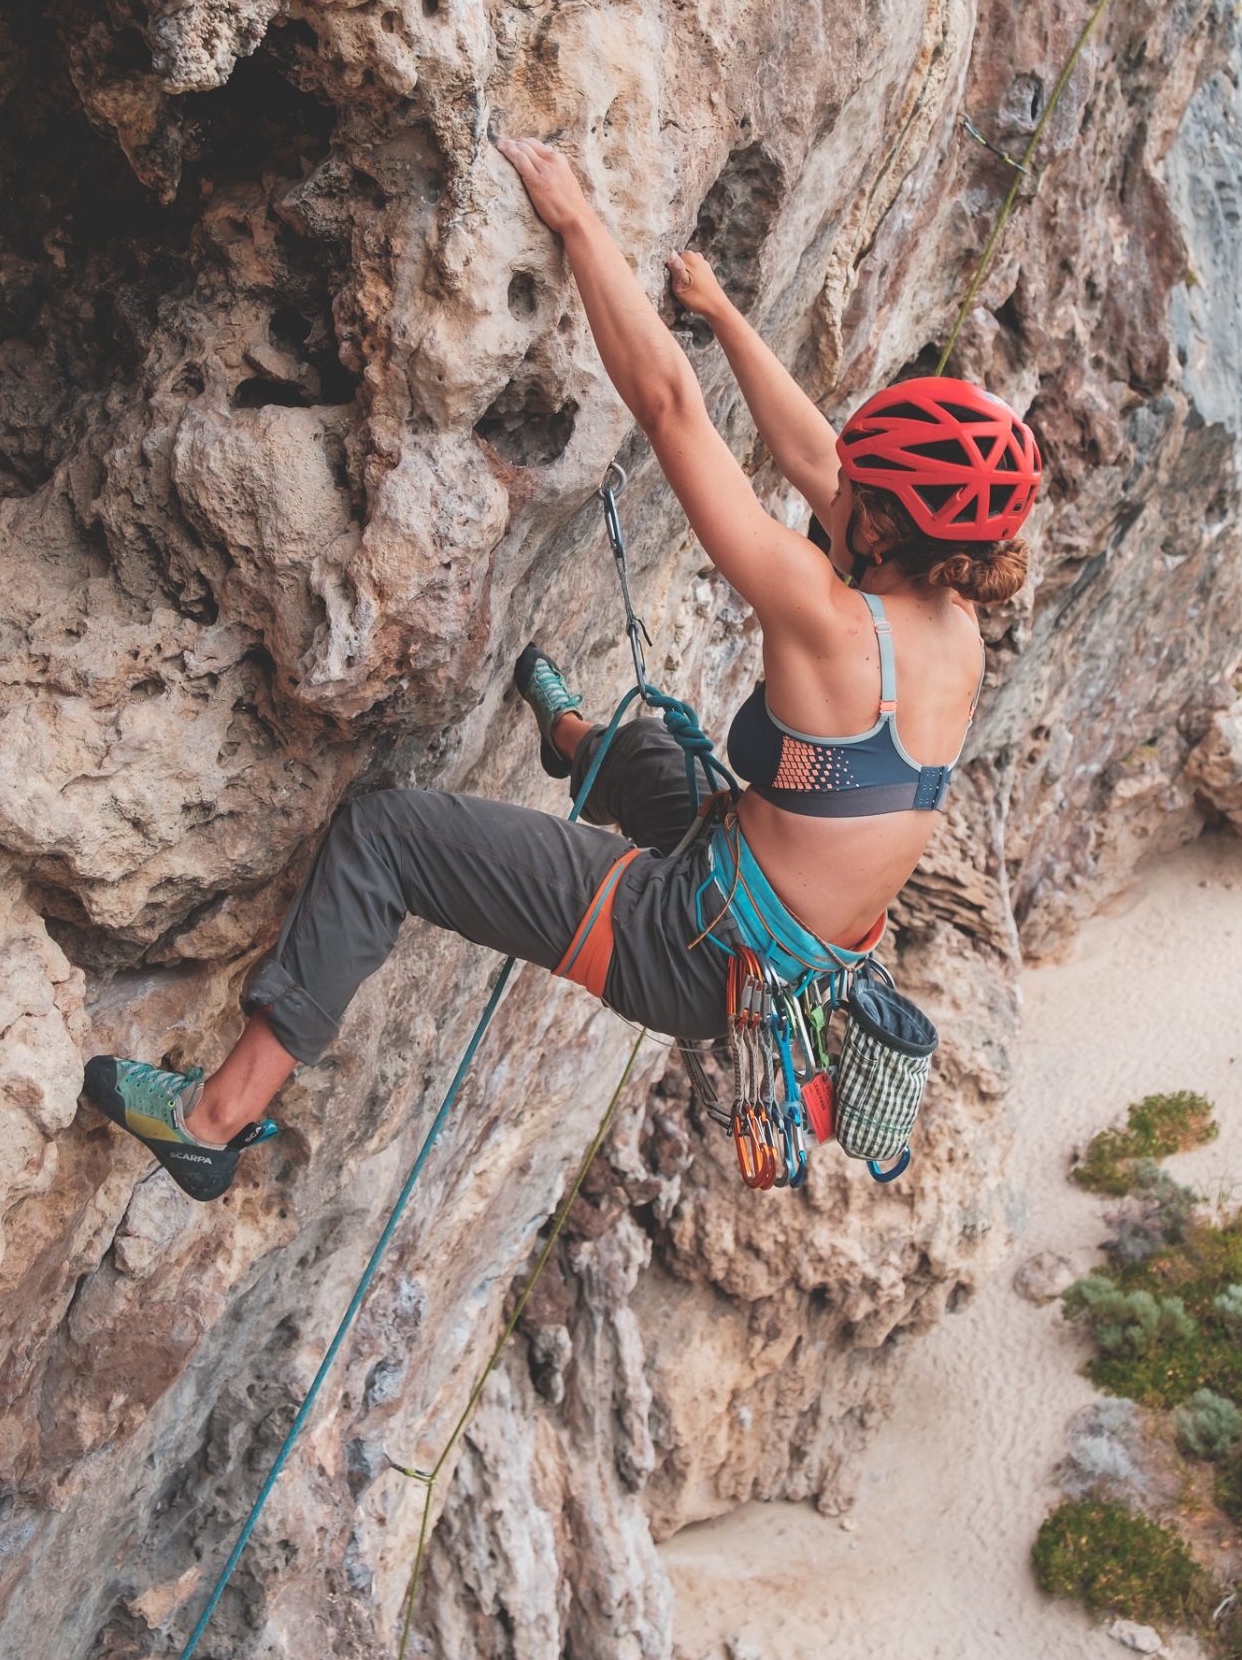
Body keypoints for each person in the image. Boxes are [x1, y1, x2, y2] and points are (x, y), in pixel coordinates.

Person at [83, 135, 1042, 1199]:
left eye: (857, 489)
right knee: (651, 760)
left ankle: (213, 1120)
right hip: (768, 924)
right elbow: (822, 463)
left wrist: (578, 220)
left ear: (881, 527)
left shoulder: (825, 619)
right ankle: (571, 739)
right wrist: (721, 314)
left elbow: (670, 407)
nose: (835, 485)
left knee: (384, 838)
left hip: (684, 942)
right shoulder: (947, 626)